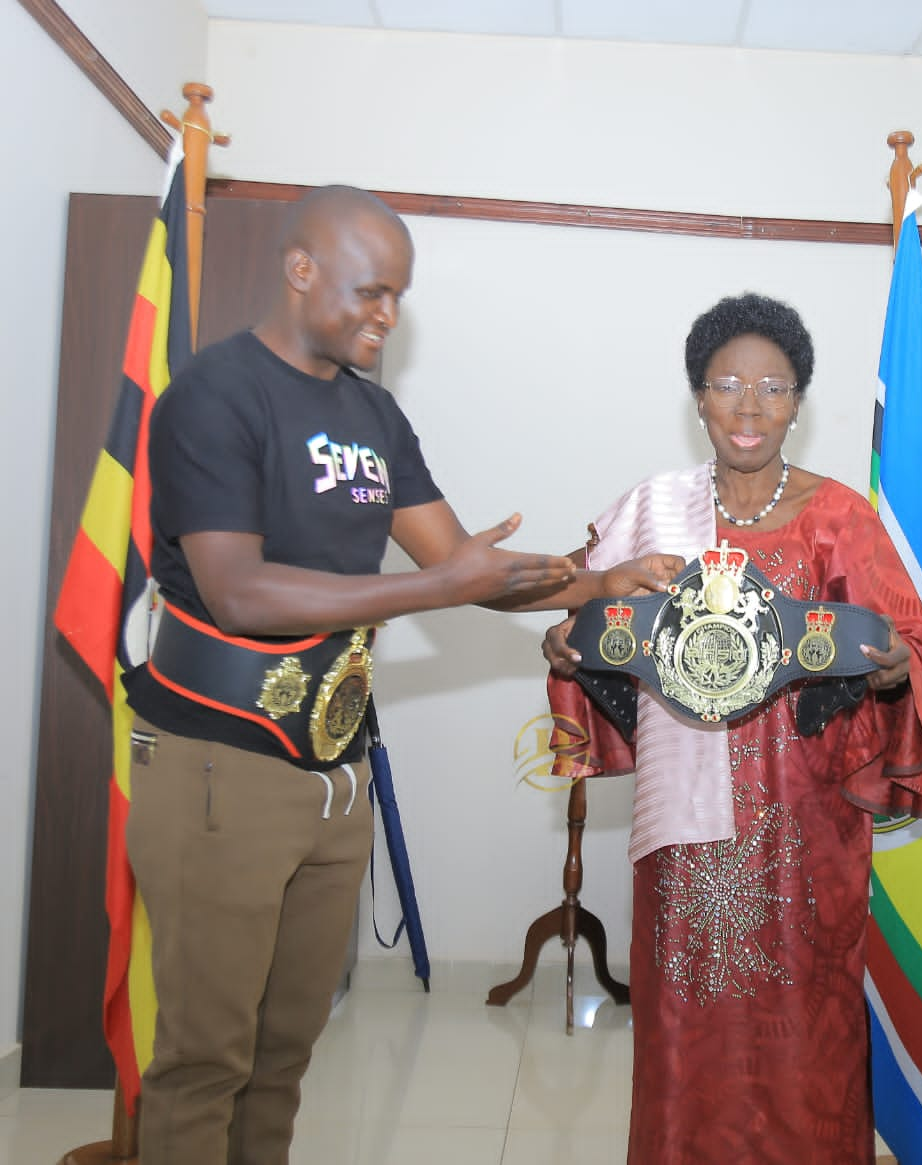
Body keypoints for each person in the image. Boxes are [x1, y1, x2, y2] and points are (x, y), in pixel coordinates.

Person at [122, 185, 679, 1165]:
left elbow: (462, 564)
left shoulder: (372, 414)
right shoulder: (214, 395)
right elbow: (238, 588)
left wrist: (597, 581)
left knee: (284, 1050)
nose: (386, 316)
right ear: (301, 271)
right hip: (219, 762)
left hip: (336, 771)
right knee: (205, 1058)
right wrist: (435, 584)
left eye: (398, 299)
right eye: (371, 293)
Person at [541, 292, 922, 1164]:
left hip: (806, 838)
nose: (749, 406)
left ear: (799, 403)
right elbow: (583, 619)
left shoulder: (839, 517)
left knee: (806, 1044)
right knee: (683, 1032)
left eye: (772, 387)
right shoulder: (652, 513)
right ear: (696, 396)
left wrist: (891, 660)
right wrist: (567, 639)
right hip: (686, 842)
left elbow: (912, 649)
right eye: (727, 384)